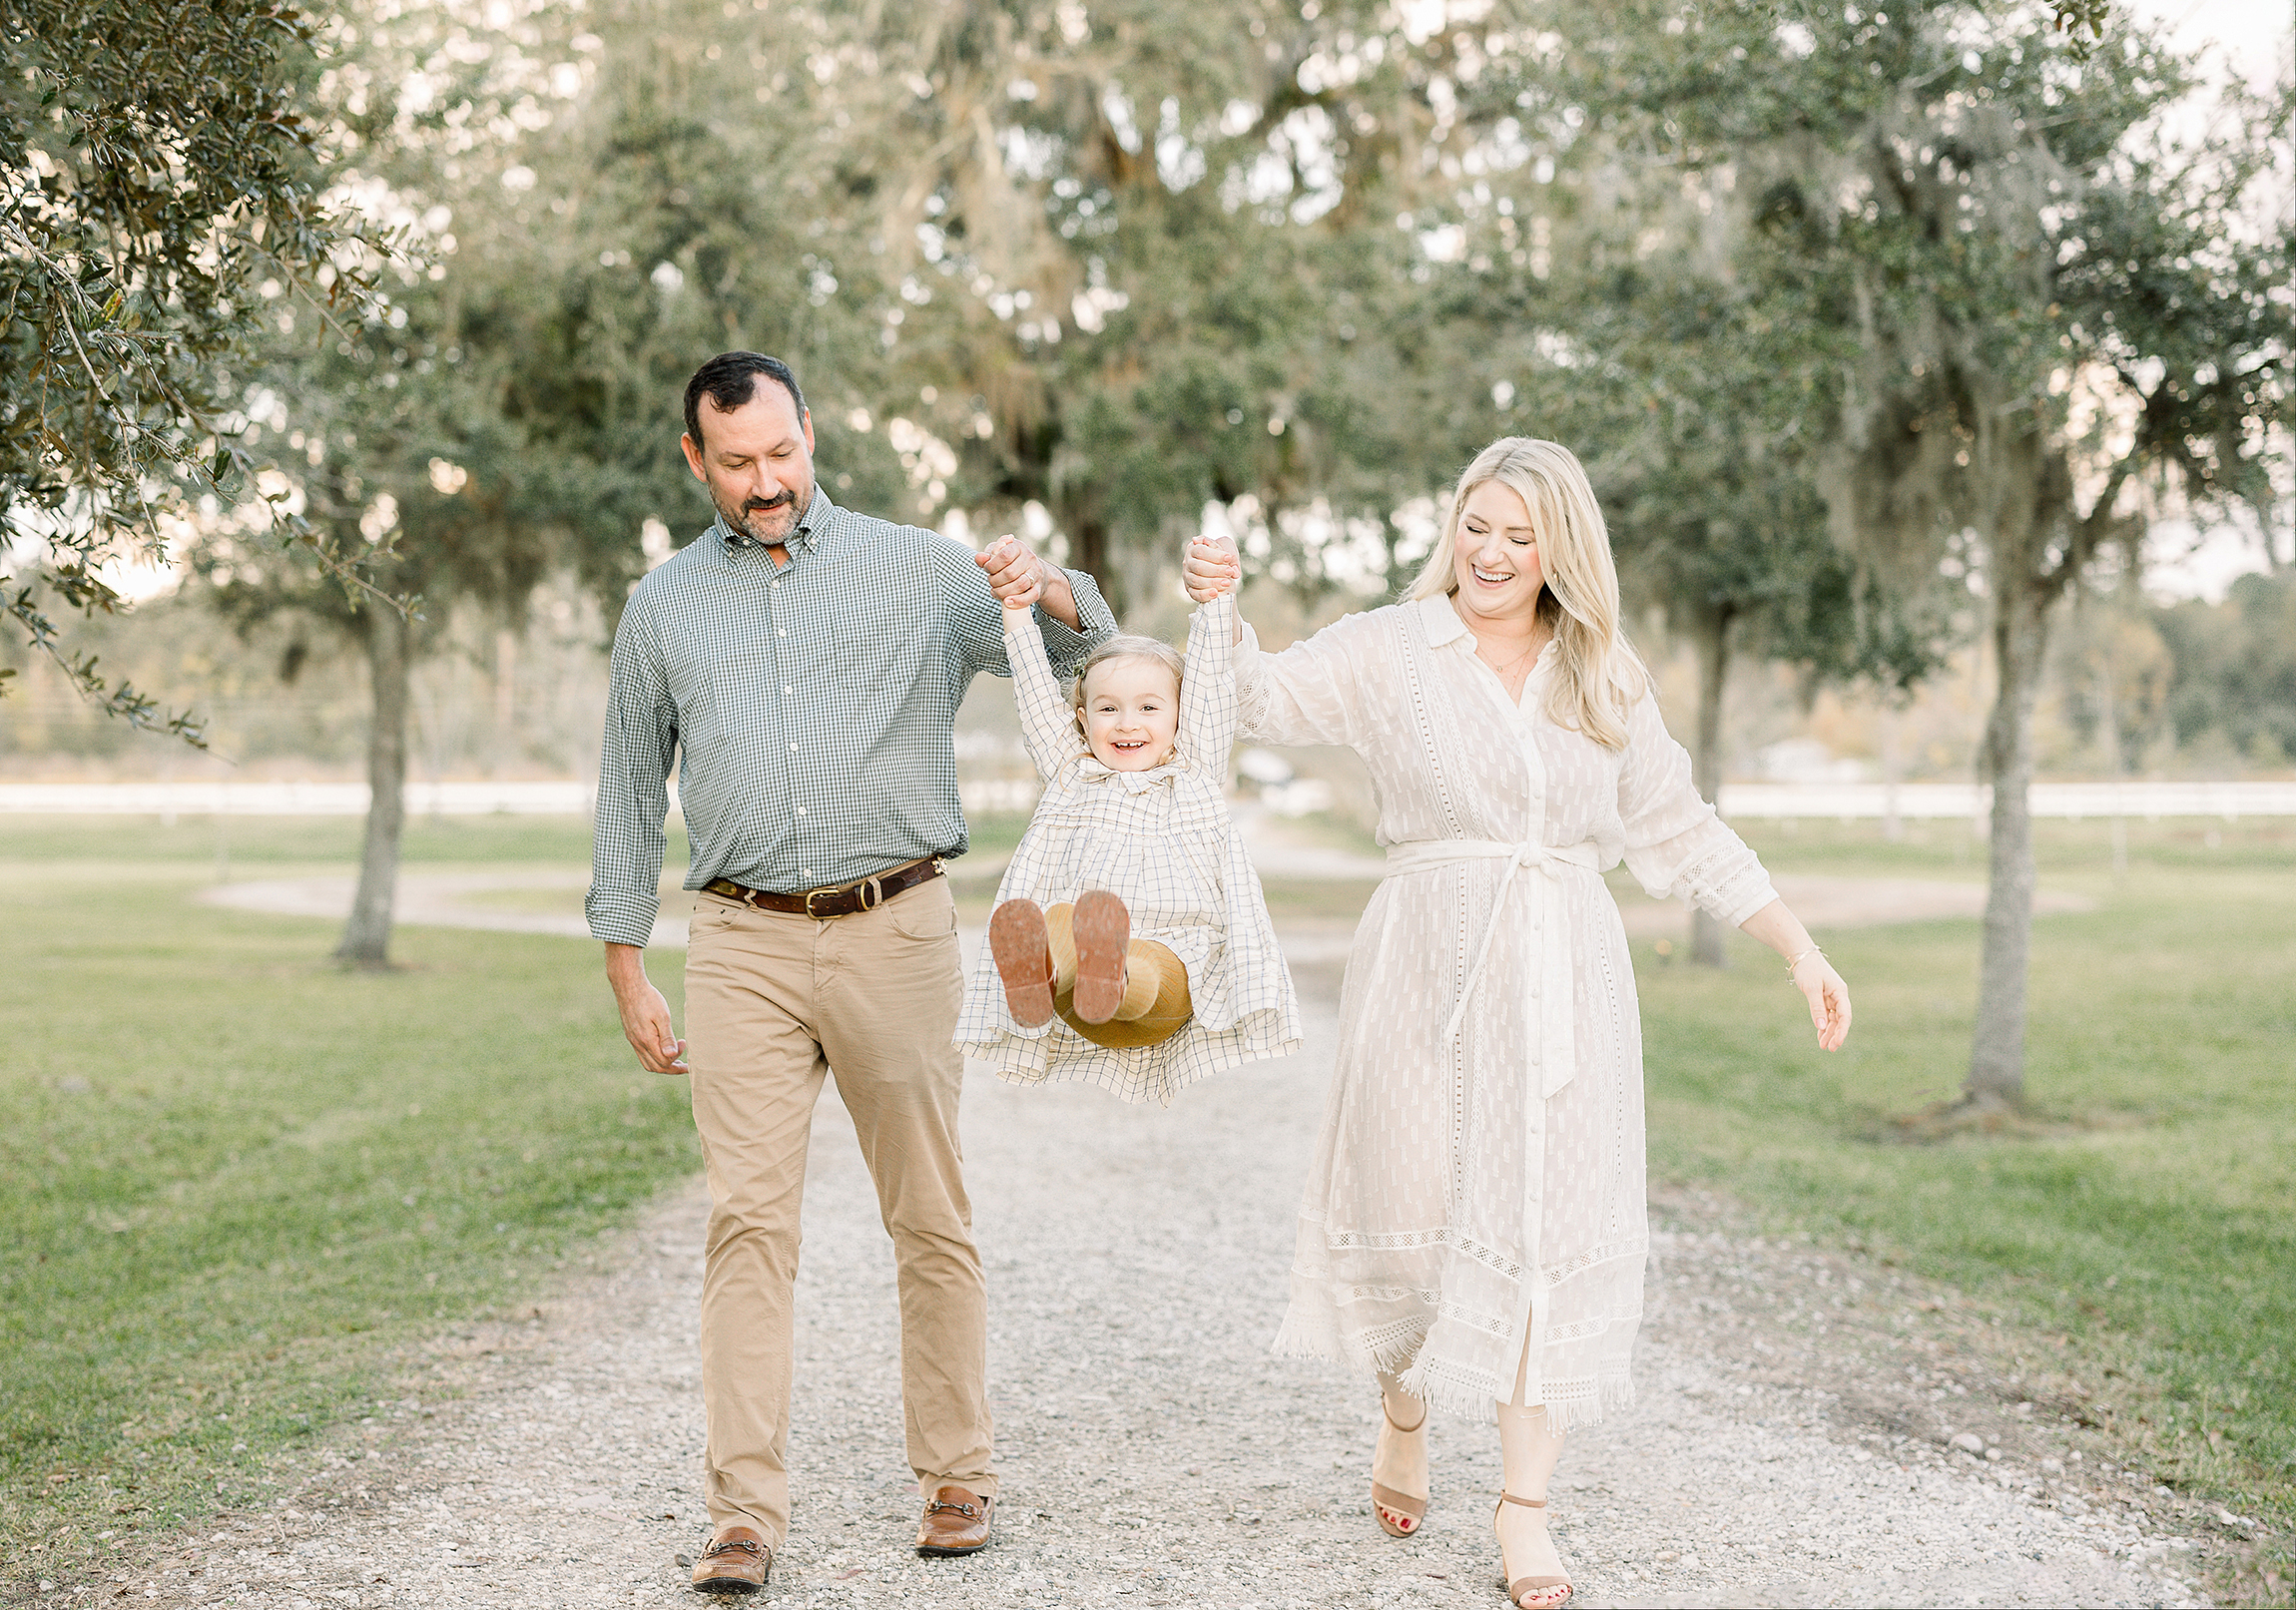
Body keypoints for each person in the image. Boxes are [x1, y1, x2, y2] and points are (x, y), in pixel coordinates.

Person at [1181, 437, 1852, 1610]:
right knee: (1406, 1211)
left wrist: (1796, 946)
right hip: (1419, 961)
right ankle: (1402, 1405)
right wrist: (1221, 613)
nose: (1488, 551)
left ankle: (1522, 1508)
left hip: (1563, 972)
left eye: (1517, 533)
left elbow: (1679, 828)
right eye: (1473, 523)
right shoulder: (1393, 646)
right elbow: (1260, 698)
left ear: (1560, 550)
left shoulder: (1603, 673)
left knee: (1544, 1220)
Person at [586, 351, 1116, 1596]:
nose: (765, 483)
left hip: (897, 926)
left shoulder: (917, 567)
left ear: (809, 434)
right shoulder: (661, 606)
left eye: (781, 454)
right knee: (747, 1223)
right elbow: (624, 789)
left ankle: (955, 1473)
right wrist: (628, 966)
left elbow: (1094, 645)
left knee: (928, 1210)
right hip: (741, 944)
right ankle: (742, 1511)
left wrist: (1041, 583)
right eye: (736, 464)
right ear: (694, 461)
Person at [956, 562, 1300, 1105]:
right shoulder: (1071, 772)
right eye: (1108, 709)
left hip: (1173, 956)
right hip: (1077, 989)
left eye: (1148, 707)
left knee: (1144, 971)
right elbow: (1035, 699)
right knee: (1060, 925)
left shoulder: (1194, 768)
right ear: (1083, 717)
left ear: (1179, 717)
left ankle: (1102, 971)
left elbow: (1211, 682)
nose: (1126, 723)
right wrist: (1017, 612)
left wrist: (1215, 602)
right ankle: (1047, 976)